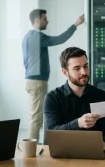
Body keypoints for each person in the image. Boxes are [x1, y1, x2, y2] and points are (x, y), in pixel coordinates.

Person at [22, 9, 84, 142]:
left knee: (38, 116)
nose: (47, 21)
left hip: (32, 80)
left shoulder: (27, 36)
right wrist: (76, 24)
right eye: (45, 19)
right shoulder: (37, 37)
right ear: (37, 21)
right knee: (36, 118)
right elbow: (60, 39)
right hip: (37, 82)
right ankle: (31, 151)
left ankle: (44, 145)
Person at [44, 47, 105, 150]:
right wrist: (78, 123)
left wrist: (104, 144)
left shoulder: (102, 96)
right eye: (77, 68)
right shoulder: (53, 97)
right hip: (64, 153)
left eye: (85, 66)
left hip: (95, 153)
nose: (84, 72)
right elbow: (52, 132)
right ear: (65, 72)